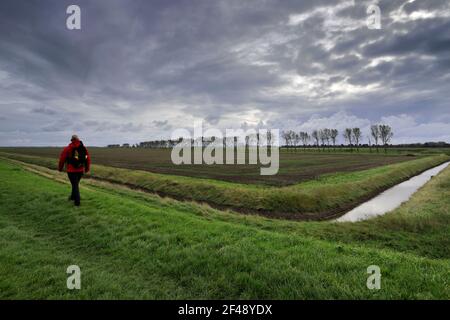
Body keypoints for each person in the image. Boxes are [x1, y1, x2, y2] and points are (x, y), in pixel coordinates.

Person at [58, 135, 91, 206]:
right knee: (75, 184)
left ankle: (77, 202)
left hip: (71, 171)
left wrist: (60, 168)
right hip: (80, 171)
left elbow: (62, 159)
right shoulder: (83, 148)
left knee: (75, 185)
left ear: (71, 140)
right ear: (78, 140)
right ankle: (72, 197)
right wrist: (87, 169)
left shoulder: (68, 148)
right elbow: (88, 159)